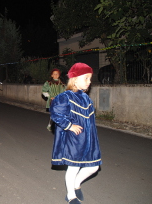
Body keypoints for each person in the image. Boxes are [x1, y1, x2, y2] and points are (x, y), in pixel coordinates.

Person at [50, 63, 101, 204]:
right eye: (86, 78)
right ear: (75, 79)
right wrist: (69, 126)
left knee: (94, 166)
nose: (89, 82)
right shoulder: (66, 96)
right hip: (74, 139)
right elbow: (55, 113)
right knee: (74, 166)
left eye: (90, 79)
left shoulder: (86, 98)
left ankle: (76, 183)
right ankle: (70, 195)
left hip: (89, 139)